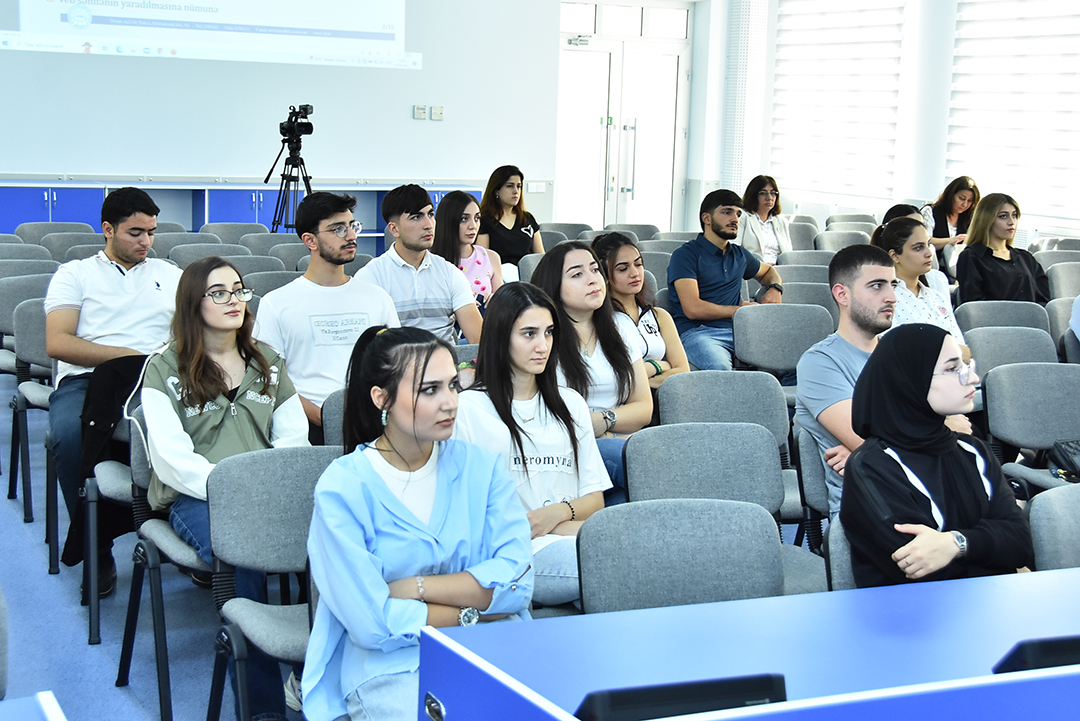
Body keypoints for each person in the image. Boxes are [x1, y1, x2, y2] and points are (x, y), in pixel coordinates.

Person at [301, 326, 533, 721]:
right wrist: (473, 610)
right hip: (392, 665)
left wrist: (414, 589)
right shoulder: (343, 487)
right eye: (430, 390)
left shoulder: (483, 468)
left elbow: (518, 584)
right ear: (382, 398)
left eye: (453, 386)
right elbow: (372, 624)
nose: (450, 403)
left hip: (495, 648)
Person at [140, 256, 310, 721]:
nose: (234, 300)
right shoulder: (164, 368)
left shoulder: (266, 361)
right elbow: (172, 460)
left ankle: (315, 675)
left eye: (238, 290)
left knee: (333, 541)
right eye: (219, 293)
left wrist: (270, 486)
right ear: (194, 303)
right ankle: (262, 710)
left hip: (268, 488)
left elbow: (292, 435)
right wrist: (235, 490)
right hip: (197, 497)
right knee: (245, 558)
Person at [45, 186, 183, 596]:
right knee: (71, 439)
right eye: (135, 233)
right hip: (88, 378)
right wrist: (126, 355)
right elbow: (58, 342)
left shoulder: (169, 274)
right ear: (108, 229)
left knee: (201, 430)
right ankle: (96, 545)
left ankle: (192, 538)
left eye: (152, 233)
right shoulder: (75, 274)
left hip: (155, 378)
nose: (146, 242)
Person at [840, 324, 1033, 588]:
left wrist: (956, 543)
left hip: (991, 607)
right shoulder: (872, 465)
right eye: (952, 369)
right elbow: (922, 569)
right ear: (909, 379)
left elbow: (1021, 542)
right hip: (915, 617)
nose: (972, 379)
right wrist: (992, 546)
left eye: (966, 366)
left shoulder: (974, 450)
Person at [454, 283, 609, 607]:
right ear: (501, 337)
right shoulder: (468, 409)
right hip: (512, 551)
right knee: (616, 571)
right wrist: (550, 526)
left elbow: (595, 500)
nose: (543, 345)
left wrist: (554, 515)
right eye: (529, 334)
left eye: (549, 332)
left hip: (573, 537)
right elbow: (465, 514)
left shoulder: (571, 404)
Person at [797, 245, 974, 520]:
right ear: (842, 294)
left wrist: (871, 451)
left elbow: (959, 433)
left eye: (893, 285)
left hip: (938, 490)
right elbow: (864, 440)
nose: (892, 296)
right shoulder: (819, 362)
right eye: (877, 286)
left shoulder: (904, 353)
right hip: (875, 509)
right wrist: (872, 450)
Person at [255, 191, 399, 444]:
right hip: (308, 426)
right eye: (338, 229)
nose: (352, 235)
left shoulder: (377, 298)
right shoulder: (277, 304)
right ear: (310, 240)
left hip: (374, 421)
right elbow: (270, 380)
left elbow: (397, 364)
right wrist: (324, 416)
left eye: (352, 226)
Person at [531, 241, 652, 504]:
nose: (592, 280)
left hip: (621, 442)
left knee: (623, 506)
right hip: (569, 450)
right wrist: (597, 428)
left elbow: (644, 407)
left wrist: (604, 421)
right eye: (577, 274)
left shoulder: (620, 327)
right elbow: (546, 415)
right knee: (645, 468)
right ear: (554, 286)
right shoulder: (542, 337)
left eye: (595, 270)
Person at [668, 189, 784, 371]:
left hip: (739, 331)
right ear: (706, 219)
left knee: (794, 363)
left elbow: (768, 272)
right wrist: (739, 310)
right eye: (727, 212)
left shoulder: (739, 254)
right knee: (722, 372)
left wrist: (775, 288)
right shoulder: (685, 255)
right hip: (699, 333)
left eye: (738, 213)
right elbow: (693, 309)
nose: (735, 219)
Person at [356, 184, 483, 344]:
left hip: (448, 365)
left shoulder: (449, 273)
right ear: (394, 229)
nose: (429, 224)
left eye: (430, 214)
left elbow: (478, 341)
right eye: (416, 217)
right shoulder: (371, 277)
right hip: (397, 365)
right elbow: (368, 348)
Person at [591, 232, 690, 391]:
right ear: (605, 275)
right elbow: (615, 379)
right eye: (623, 269)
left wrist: (645, 374)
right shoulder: (598, 320)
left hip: (663, 399)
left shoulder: (660, 316)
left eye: (638, 264)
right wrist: (660, 366)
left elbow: (683, 371)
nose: (635, 273)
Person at [870, 216, 969, 358]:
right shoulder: (882, 299)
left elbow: (965, 353)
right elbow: (902, 352)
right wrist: (948, 351)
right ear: (895, 256)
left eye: (928, 244)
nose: (929, 253)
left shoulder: (937, 298)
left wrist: (937, 351)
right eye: (918, 248)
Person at [956, 193, 1049, 306]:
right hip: (995, 322)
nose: (1011, 222)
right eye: (1003, 216)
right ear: (986, 220)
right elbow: (974, 307)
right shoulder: (971, 257)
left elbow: (1044, 300)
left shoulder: (1026, 258)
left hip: (1032, 321)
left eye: (1014, 215)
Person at [432, 189, 503, 313]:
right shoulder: (433, 261)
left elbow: (504, 305)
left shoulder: (491, 257)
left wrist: (494, 301)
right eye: (464, 219)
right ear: (448, 221)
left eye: (477, 218)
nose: (473, 226)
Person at [880, 203, 953, 302]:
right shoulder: (885, 294)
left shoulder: (937, 279)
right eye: (910, 224)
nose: (918, 229)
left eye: (922, 225)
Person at [477, 165, 544, 268]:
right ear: (496, 191)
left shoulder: (527, 219)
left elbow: (539, 258)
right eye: (509, 186)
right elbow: (482, 261)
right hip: (500, 277)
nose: (516, 191)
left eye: (519, 186)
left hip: (528, 277)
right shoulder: (484, 221)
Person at [735, 174, 792, 264]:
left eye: (773, 193)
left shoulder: (781, 221)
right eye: (763, 193)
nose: (769, 197)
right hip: (753, 270)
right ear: (753, 195)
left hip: (780, 269)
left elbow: (788, 254)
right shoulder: (742, 217)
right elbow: (734, 250)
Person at [920, 176, 980, 254]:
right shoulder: (930, 211)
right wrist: (950, 240)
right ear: (950, 195)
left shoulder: (970, 218)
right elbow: (923, 240)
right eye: (961, 198)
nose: (965, 204)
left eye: (970, 201)